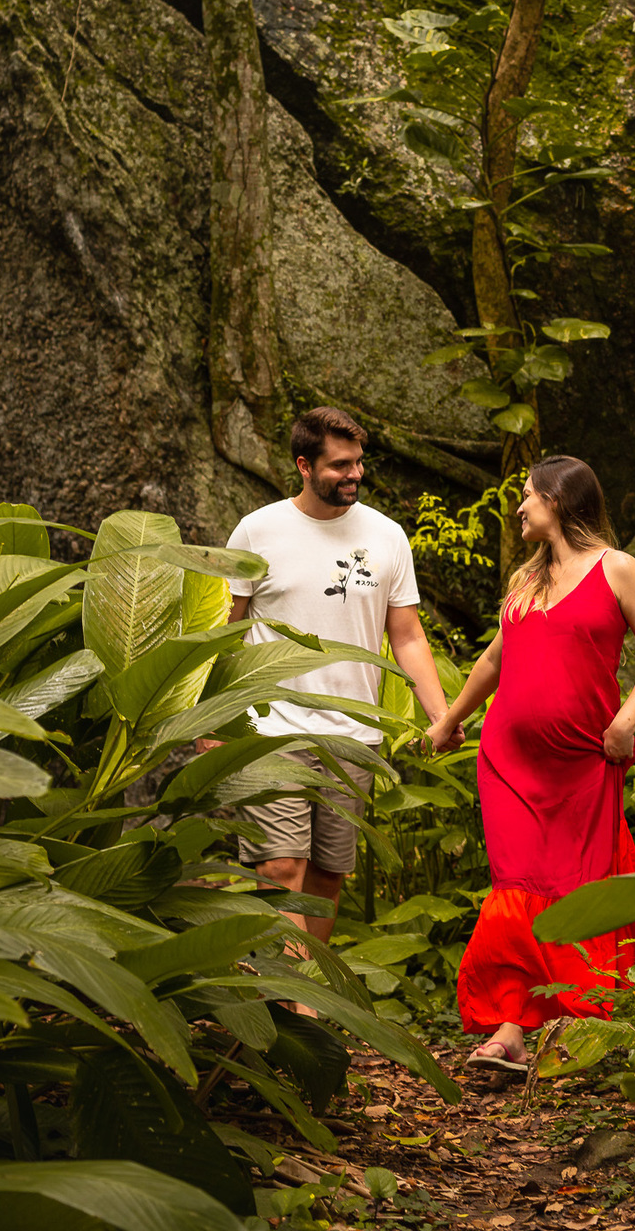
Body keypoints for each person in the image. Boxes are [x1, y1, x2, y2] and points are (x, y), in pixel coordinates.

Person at [425, 454, 635, 1079]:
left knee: (578, 890)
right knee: (518, 891)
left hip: (583, 763)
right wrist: (450, 718)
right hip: (508, 762)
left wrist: (626, 724)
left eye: (529, 496)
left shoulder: (618, 569)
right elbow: (492, 661)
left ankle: (580, 1024)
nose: (520, 507)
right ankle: (513, 1027)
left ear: (559, 501)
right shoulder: (525, 582)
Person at [223, 405, 461, 952]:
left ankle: (301, 989)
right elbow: (227, 630)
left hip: (352, 735)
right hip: (270, 728)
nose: (354, 474)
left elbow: (407, 636)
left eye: (358, 462)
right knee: (282, 867)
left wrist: (440, 716)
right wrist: (214, 716)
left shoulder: (387, 536)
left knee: (327, 876)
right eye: (339, 465)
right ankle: (301, 1006)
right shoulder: (257, 531)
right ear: (304, 465)